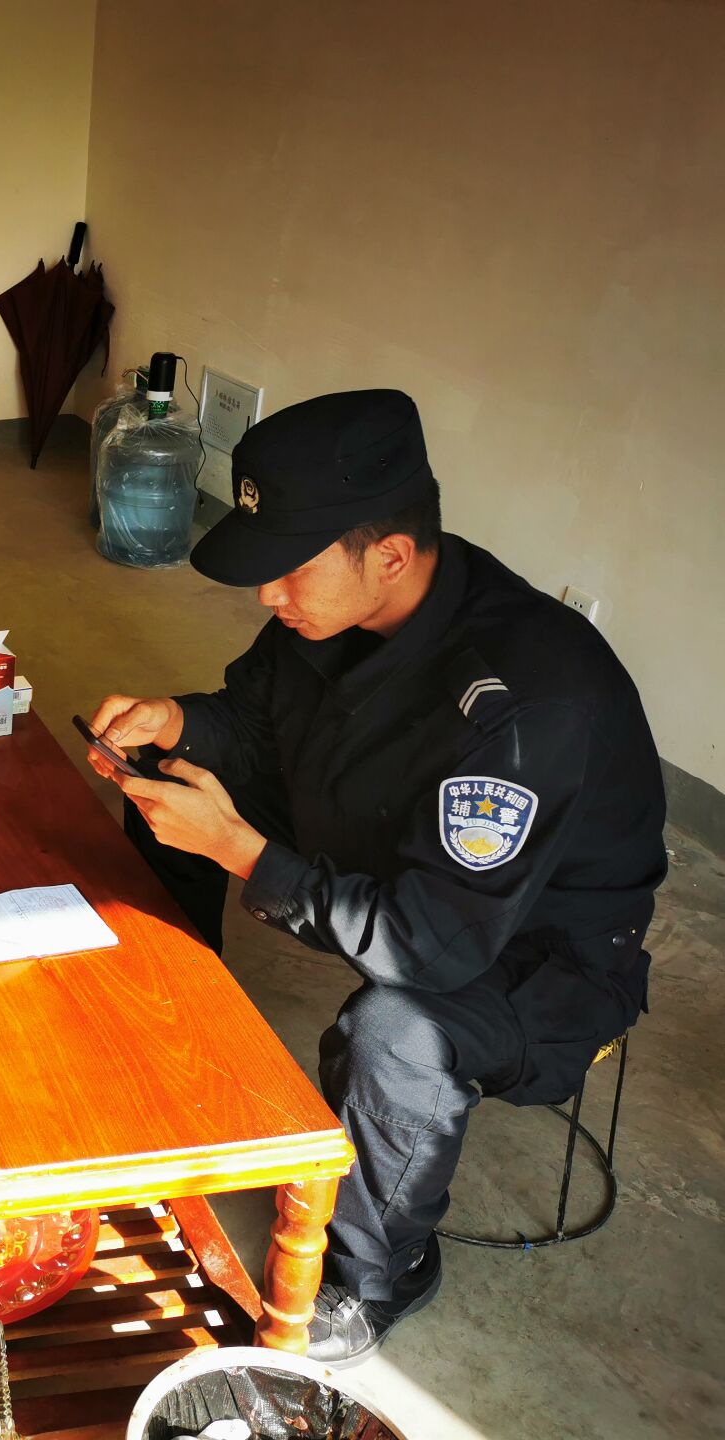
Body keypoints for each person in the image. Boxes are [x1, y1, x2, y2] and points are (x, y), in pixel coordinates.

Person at [85, 389, 664, 1362]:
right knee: (170, 781)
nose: (268, 595)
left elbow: (430, 948)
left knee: (393, 1034)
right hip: (390, 842)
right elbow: (253, 722)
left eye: (291, 570)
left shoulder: (526, 702)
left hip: (533, 949)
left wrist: (242, 852)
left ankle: (378, 1273)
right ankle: (174, 1042)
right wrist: (178, 723)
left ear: (390, 555)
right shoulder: (336, 608)